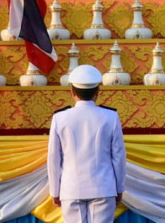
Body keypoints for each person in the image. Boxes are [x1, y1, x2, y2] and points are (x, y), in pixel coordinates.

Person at [47, 65, 126, 223]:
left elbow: (54, 158)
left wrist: (54, 190)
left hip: (71, 189)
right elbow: (119, 156)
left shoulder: (60, 118)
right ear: (97, 92)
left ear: (72, 91)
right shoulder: (110, 116)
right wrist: (119, 188)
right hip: (103, 188)